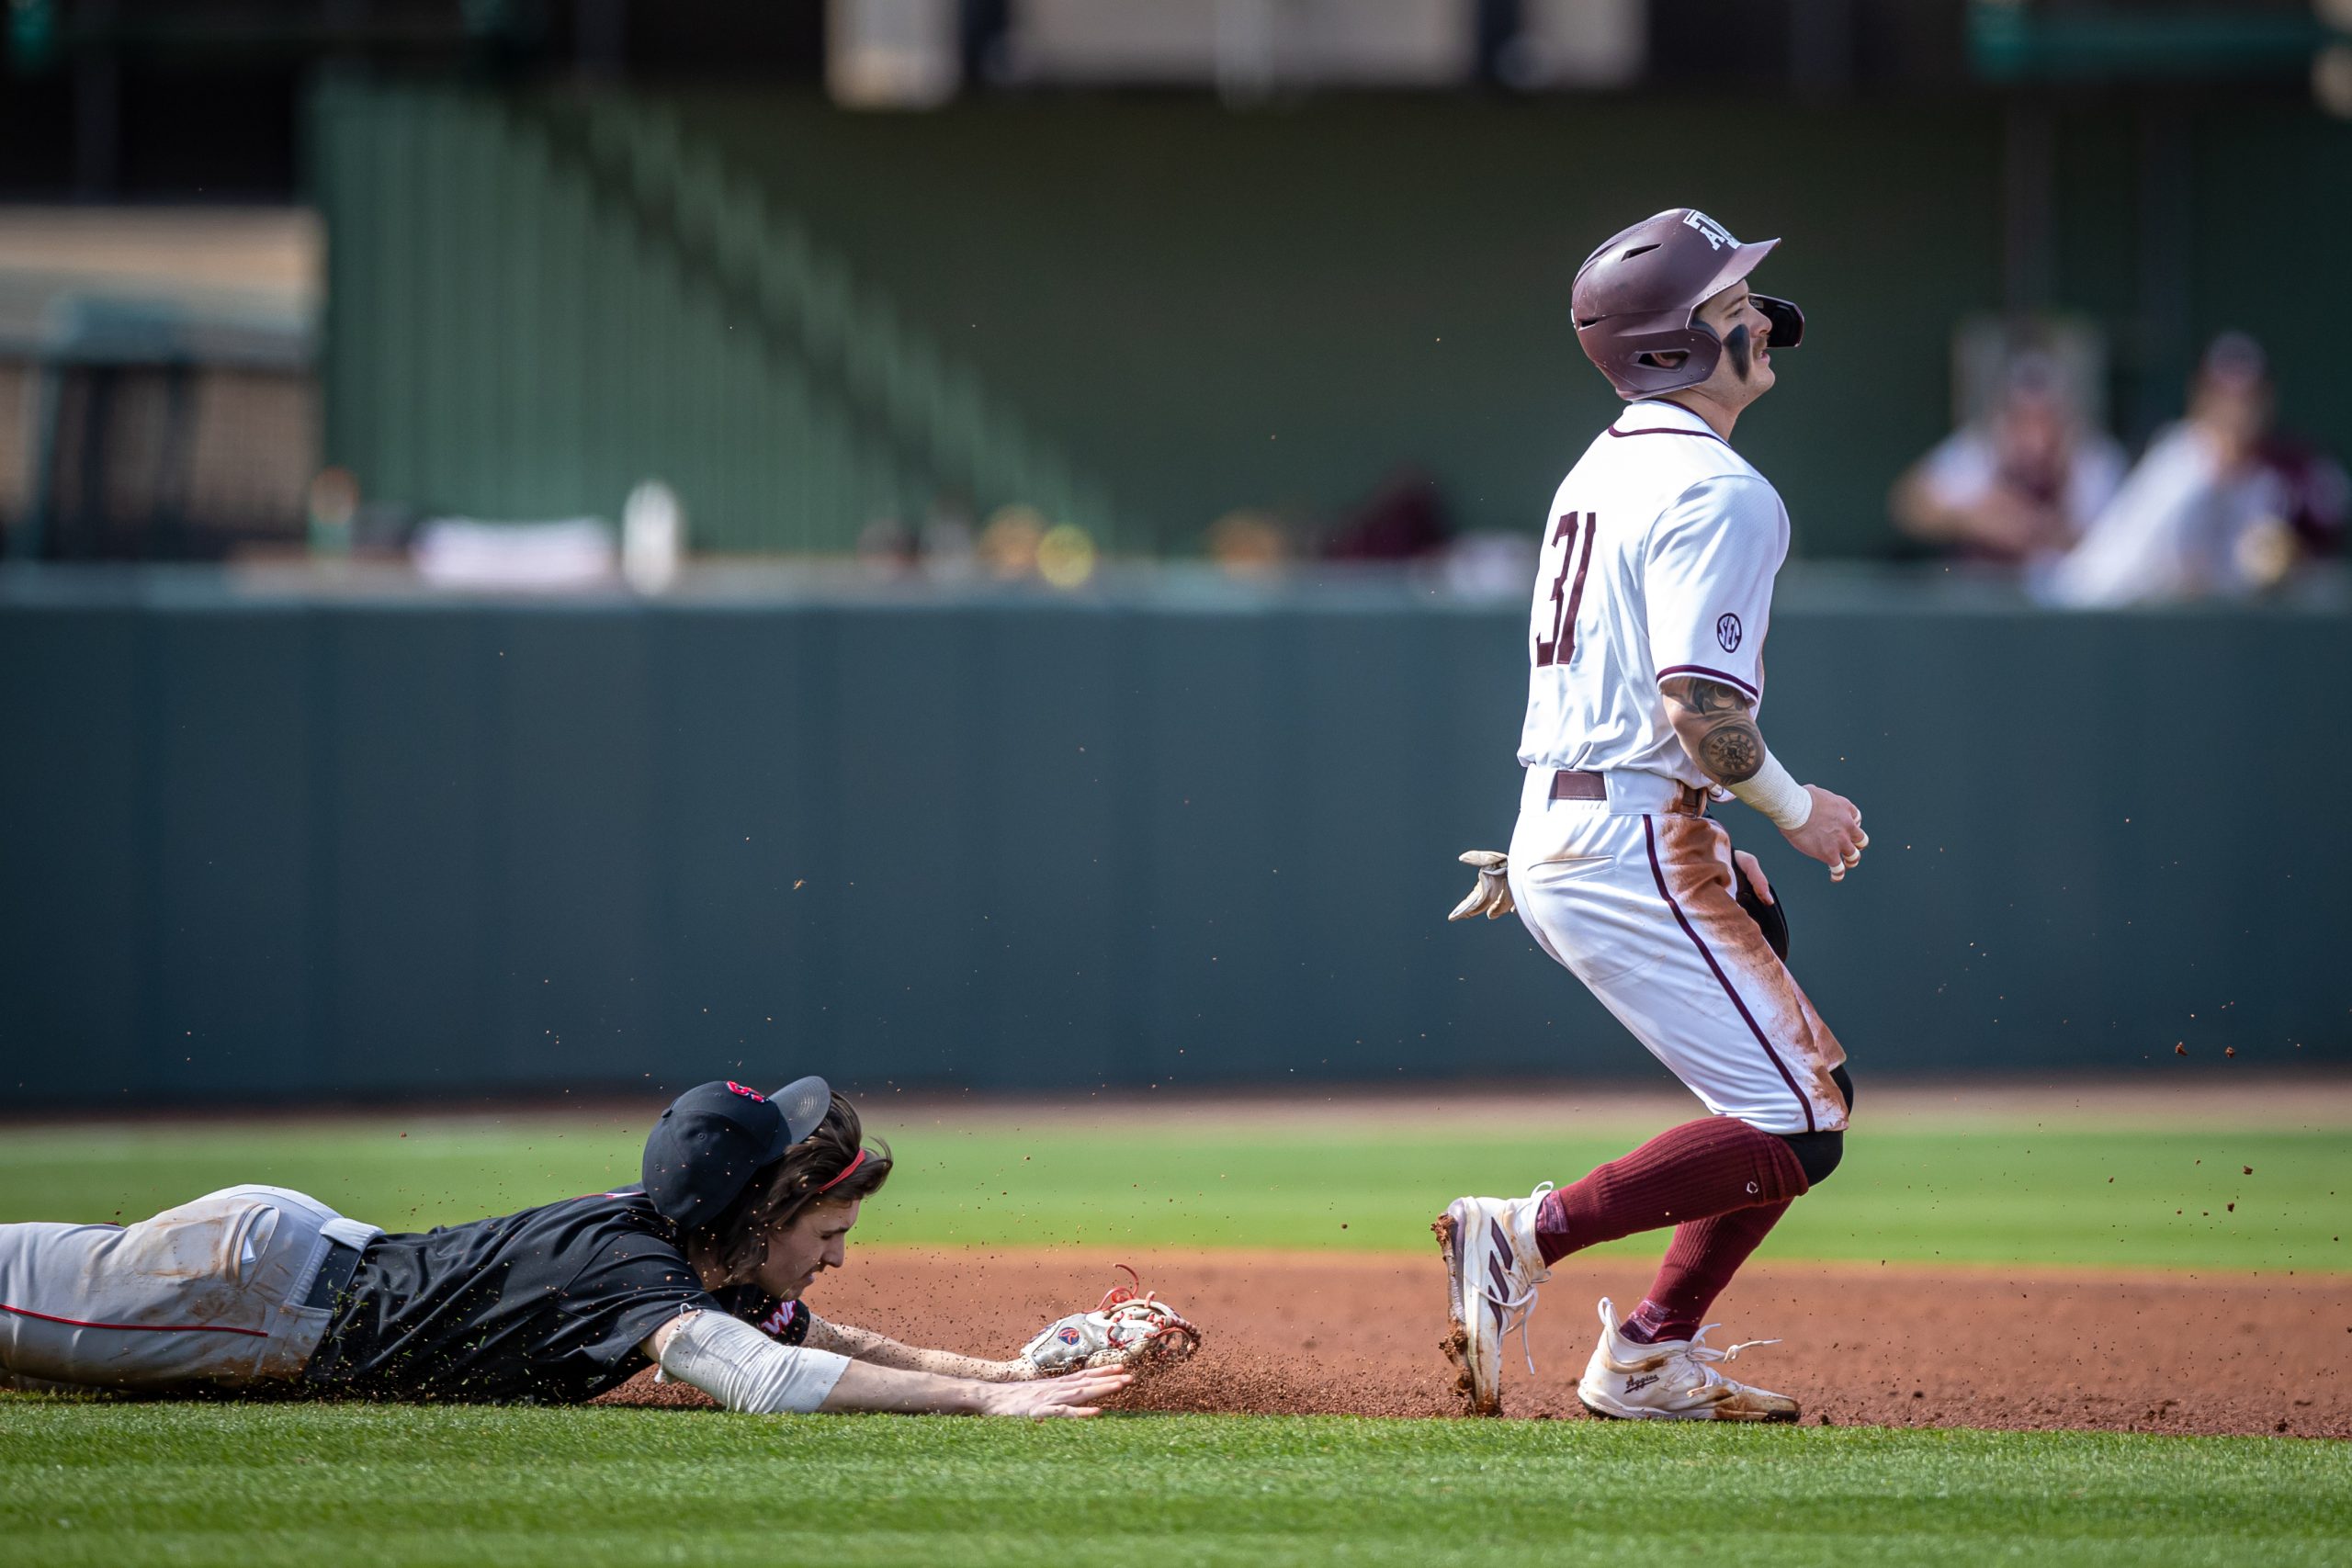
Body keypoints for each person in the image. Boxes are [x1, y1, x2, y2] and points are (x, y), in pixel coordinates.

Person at [1437, 208, 1866, 1421]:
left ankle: (1646, 1352)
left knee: (1794, 1095)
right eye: (1730, 300)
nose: (1755, 314)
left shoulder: (1604, 463)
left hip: (1594, 819)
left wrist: (1592, 832)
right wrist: (1792, 806)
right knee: (1805, 1117)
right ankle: (1525, 1233)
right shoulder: (1719, 487)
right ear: (1680, 342)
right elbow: (1693, 699)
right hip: (1621, 828)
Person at [0, 1077, 1170, 1416]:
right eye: (825, 1228)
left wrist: (1006, 1372)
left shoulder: (679, 1250)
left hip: (286, 1269)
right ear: (754, 1215)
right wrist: (984, 1414)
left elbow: (808, 1333)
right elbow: (762, 1379)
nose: (837, 1258)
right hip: (246, 1295)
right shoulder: (629, 1269)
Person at [2041, 332, 2348, 606]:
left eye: (2247, 399)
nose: (2236, 412)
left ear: (2267, 402)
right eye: (2224, 396)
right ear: (2200, 398)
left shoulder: (2275, 476)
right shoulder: (2179, 460)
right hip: (2101, 613)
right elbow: (2147, 566)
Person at [1889, 350, 2126, 566]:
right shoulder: (1980, 448)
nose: (2036, 438)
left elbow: (2125, 545)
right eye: (2023, 420)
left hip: (2067, 603)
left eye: (2047, 420)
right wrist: (1973, 518)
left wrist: (2046, 532)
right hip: (1982, 600)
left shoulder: (2096, 459)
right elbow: (1908, 506)